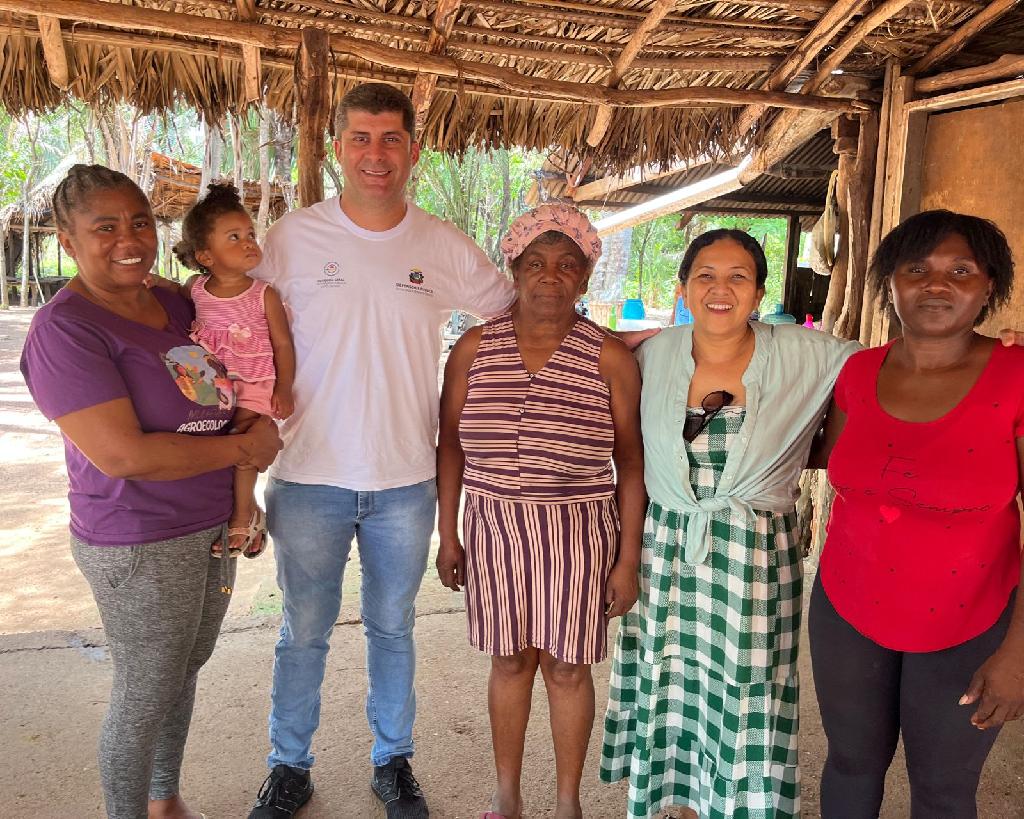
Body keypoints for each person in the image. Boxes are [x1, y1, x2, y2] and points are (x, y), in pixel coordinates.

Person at [244, 83, 517, 819]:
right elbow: (238, 319)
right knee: (302, 630)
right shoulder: (293, 239)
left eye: (391, 138)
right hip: (308, 475)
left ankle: (392, 761)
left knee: (393, 627)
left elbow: (513, 315)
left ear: (413, 150)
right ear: (337, 148)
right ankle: (288, 764)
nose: (375, 154)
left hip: (406, 479)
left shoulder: (439, 241)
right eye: (360, 138)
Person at [19, 164, 282, 819]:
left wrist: (241, 493)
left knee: (186, 662)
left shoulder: (170, 301)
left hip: (210, 519)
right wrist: (244, 450)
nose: (127, 238)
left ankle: (164, 797)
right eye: (103, 226)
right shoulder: (66, 330)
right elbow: (123, 453)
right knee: (146, 686)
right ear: (68, 238)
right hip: (136, 535)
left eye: (139, 221)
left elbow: (233, 359)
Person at [600, 229, 861, 819]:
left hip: (755, 556)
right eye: (706, 276)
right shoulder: (651, 353)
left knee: (748, 691)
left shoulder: (811, 354)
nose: (722, 289)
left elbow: (891, 366)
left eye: (739, 276)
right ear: (684, 288)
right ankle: (684, 803)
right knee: (671, 681)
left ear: (760, 291)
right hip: (666, 549)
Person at [809, 210, 1024, 817]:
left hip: (972, 619)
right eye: (917, 269)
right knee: (849, 766)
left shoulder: (1016, 376)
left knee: (943, 790)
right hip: (847, 606)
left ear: (989, 287)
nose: (937, 284)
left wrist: (1019, 652)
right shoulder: (857, 371)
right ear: (891, 284)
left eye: (960, 270)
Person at [436, 204, 645, 819]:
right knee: (510, 659)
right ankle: (506, 797)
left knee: (566, 667)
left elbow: (630, 464)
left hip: (577, 532)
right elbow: (450, 446)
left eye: (566, 265)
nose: (549, 276)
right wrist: (447, 534)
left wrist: (626, 558)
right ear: (514, 268)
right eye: (536, 263)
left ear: (584, 278)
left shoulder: (606, 356)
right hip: (493, 526)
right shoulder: (474, 349)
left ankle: (566, 803)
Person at [169, 182, 295, 557]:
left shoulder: (263, 294)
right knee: (215, 442)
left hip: (256, 382)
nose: (248, 243)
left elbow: (283, 344)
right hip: (214, 385)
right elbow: (170, 291)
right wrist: (151, 281)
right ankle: (249, 514)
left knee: (243, 438)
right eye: (234, 237)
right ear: (206, 255)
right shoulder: (196, 289)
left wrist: (284, 389)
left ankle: (242, 515)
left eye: (250, 235)